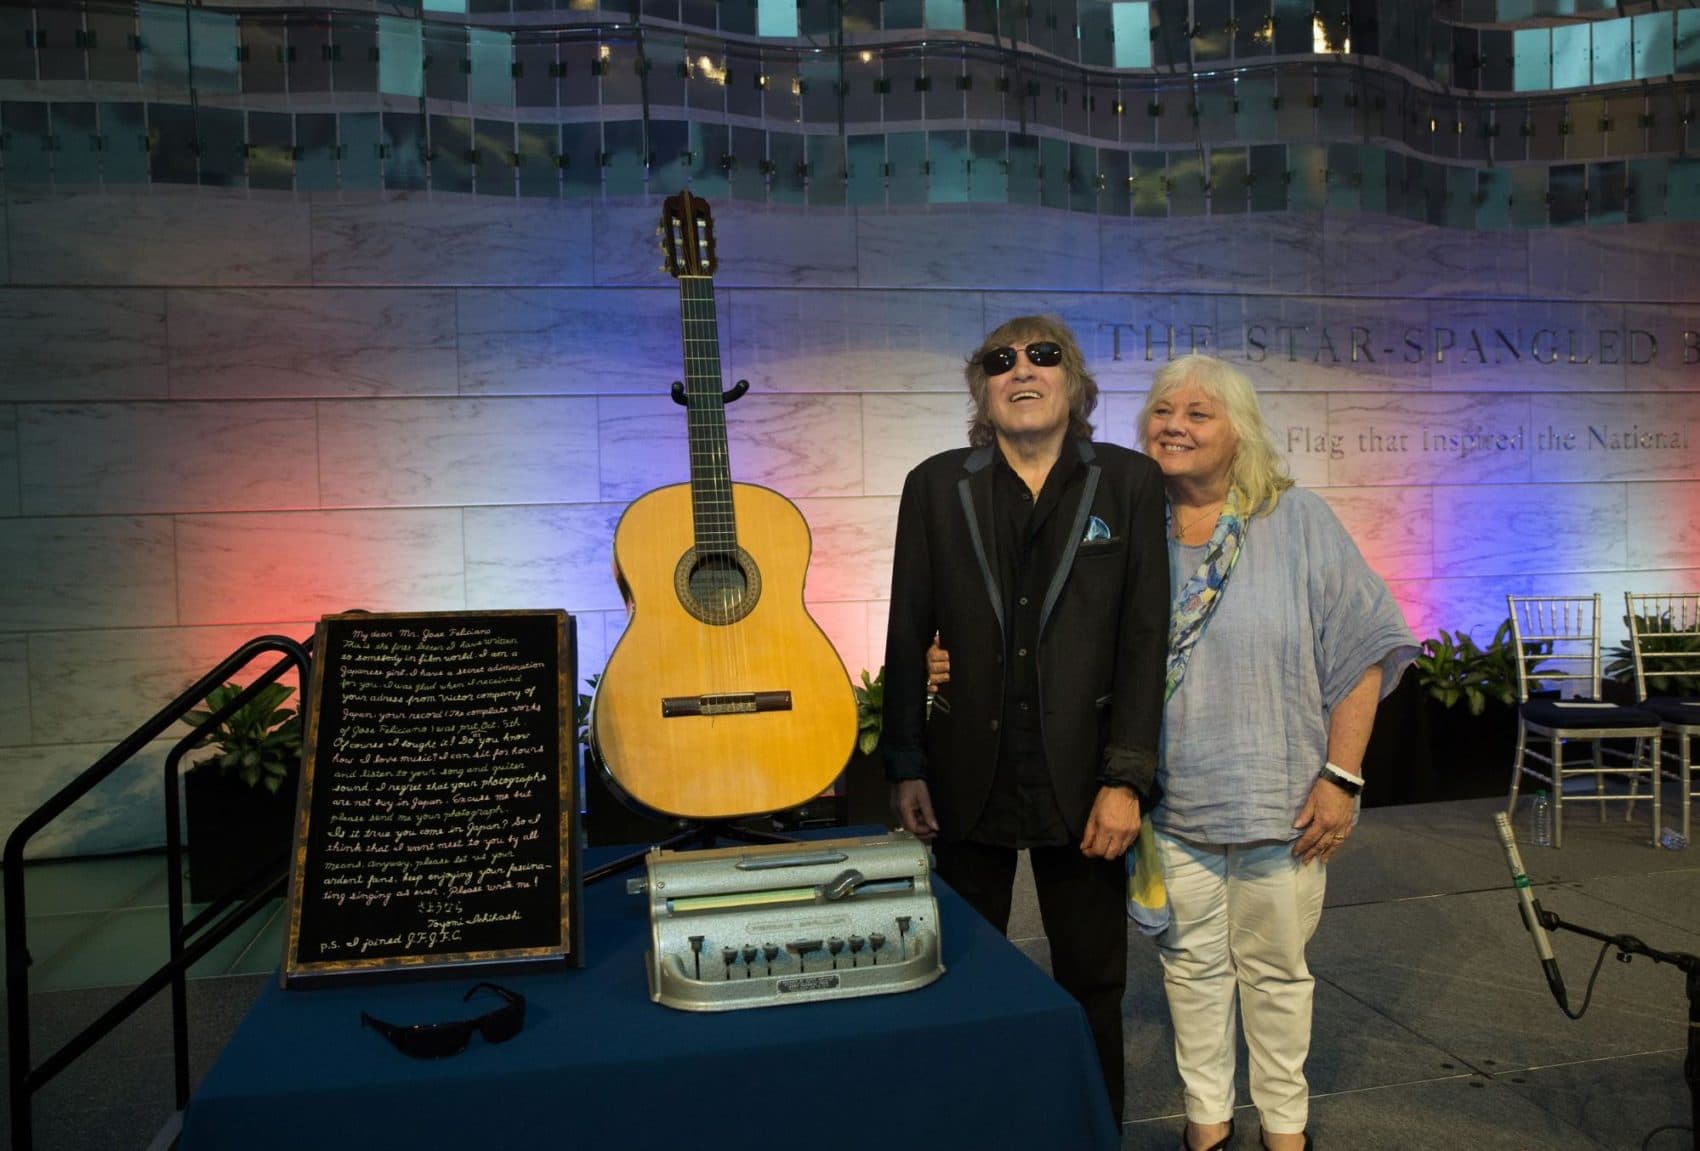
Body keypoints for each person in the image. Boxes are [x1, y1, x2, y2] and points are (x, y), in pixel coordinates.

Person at [929, 353, 1416, 1150]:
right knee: (1189, 971)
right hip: (1162, 802)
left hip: (1282, 799)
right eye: (1162, 411)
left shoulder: (1296, 520)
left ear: (1240, 431)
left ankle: (1285, 1129)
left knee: (1276, 973)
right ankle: (1207, 1123)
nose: (1175, 425)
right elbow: (1032, 626)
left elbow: (1364, 650)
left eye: (1198, 413)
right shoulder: (1120, 519)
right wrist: (945, 658)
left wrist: (1341, 775)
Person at [881, 315, 1169, 1123]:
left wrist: (1127, 779)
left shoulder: (1130, 482)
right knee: (961, 977)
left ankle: (1091, 1128)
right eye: (1001, 361)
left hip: (1085, 781)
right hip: (965, 774)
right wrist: (904, 758)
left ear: (1072, 382)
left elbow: (1145, 641)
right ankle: (971, 1127)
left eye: (1043, 357)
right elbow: (907, 627)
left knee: (1093, 981)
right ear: (983, 387)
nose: (1022, 370)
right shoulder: (937, 484)